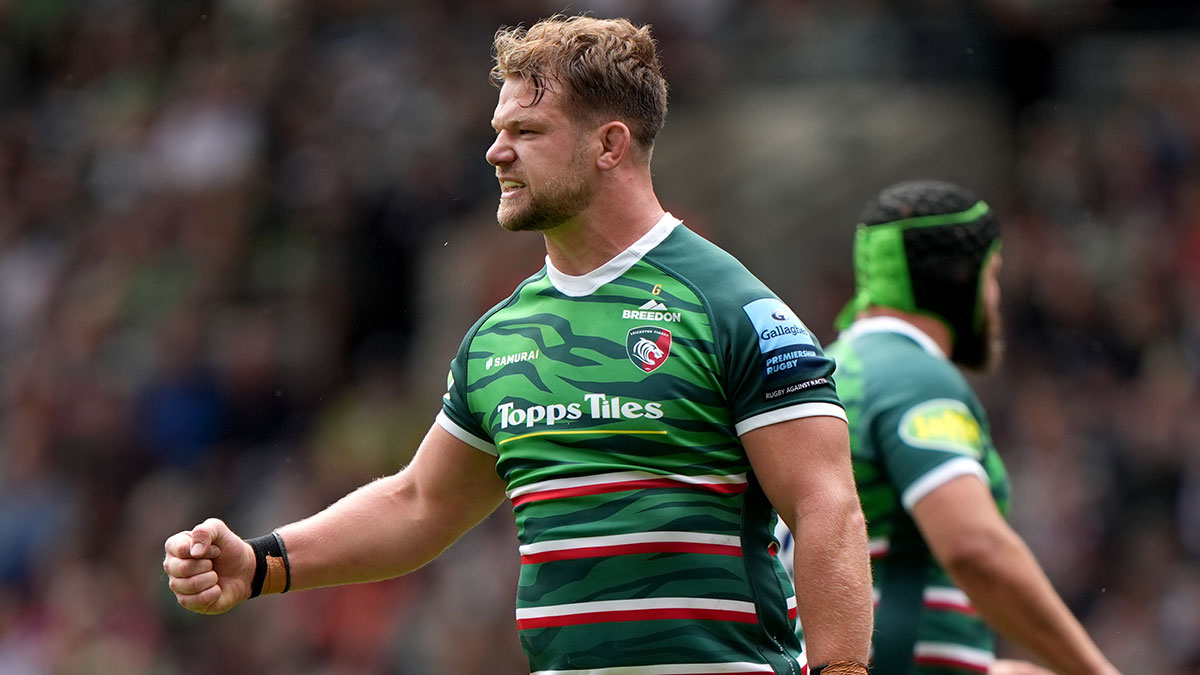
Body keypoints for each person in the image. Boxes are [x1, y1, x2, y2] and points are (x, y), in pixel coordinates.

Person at [163, 15, 873, 675]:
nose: (495, 150)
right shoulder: (497, 336)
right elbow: (420, 504)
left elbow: (825, 505)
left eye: (528, 131)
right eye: (500, 128)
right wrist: (261, 564)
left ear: (609, 145)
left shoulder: (733, 309)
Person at [776, 179, 1119, 674]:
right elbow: (973, 548)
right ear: (961, 278)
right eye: (993, 275)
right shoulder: (912, 375)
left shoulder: (830, 373)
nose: (996, 297)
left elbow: (889, 572)